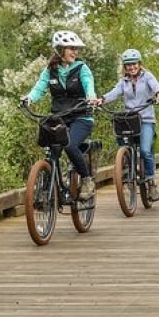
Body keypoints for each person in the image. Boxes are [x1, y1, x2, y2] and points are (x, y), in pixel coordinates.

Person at [21, 30, 98, 201]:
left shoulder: (82, 68)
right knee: (52, 150)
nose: (75, 52)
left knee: (70, 146)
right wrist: (29, 98)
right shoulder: (50, 70)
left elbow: (88, 84)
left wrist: (91, 97)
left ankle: (86, 180)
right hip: (60, 117)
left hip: (81, 116)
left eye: (76, 49)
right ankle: (49, 187)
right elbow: (39, 88)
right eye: (71, 48)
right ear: (60, 50)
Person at [93, 49, 159, 202]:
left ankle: (151, 182)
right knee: (126, 148)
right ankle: (129, 171)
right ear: (124, 67)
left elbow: (155, 86)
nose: (131, 67)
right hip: (130, 119)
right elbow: (114, 93)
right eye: (128, 65)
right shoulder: (123, 82)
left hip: (146, 119)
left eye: (134, 64)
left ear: (139, 64)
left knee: (146, 151)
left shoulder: (147, 76)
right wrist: (101, 100)